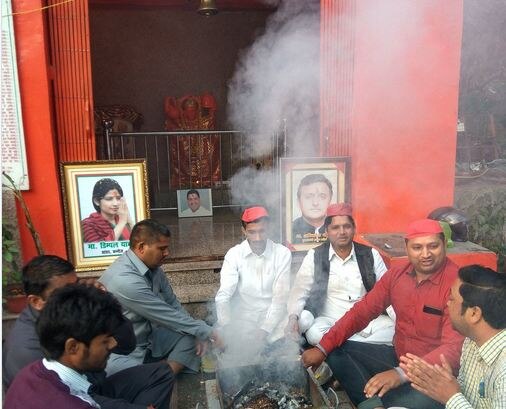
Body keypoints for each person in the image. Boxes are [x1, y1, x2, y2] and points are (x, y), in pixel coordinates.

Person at [301, 218, 465, 409]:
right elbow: (361, 312)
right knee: (336, 350)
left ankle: (372, 401)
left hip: (435, 376)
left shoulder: (458, 284)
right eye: (417, 247)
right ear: (407, 247)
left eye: (433, 246)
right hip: (399, 356)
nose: (425, 254)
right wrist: (322, 348)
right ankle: (374, 402)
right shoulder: (397, 275)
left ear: (444, 245)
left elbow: (454, 349)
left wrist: (400, 374)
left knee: (391, 400)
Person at [2, 255, 173, 409]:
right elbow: (76, 398)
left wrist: (100, 303)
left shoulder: (41, 364)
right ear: (36, 301)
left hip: (87, 386)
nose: (77, 294)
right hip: (81, 394)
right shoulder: (25, 350)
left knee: (160, 373)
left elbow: (126, 344)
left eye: (76, 285)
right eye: (66, 292)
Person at [99, 219, 223, 376]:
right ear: (141, 247)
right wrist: (209, 332)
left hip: (150, 340)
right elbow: (165, 314)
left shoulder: (154, 268)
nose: (167, 253)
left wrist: (197, 332)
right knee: (127, 373)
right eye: (162, 248)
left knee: (190, 338)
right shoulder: (124, 279)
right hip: (123, 352)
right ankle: (157, 376)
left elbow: (172, 303)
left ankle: (161, 374)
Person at [286, 203, 394, 347]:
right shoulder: (315, 256)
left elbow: (389, 293)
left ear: (354, 229)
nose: (342, 232)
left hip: (366, 322)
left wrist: (402, 321)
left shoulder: (370, 254)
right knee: (313, 333)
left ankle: (340, 346)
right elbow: (300, 290)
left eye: (347, 226)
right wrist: (293, 317)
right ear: (326, 231)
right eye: (335, 227)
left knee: (393, 330)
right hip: (329, 321)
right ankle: (363, 346)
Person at [400, 265, 505, 409]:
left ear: (474, 314)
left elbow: (454, 398)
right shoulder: (472, 340)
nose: (447, 304)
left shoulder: (503, 371)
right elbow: (467, 394)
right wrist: (447, 383)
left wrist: (451, 397)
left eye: (451, 299)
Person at [215, 206, 292, 346]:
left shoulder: (282, 253)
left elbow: (280, 299)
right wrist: (227, 328)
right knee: (223, 335)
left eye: (262, 231)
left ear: (268, 229)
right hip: (246, 317)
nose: (257, 238)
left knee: (302, 320)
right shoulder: (234, 254)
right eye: (252, 232)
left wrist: (264, 330)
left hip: (276, 315)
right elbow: (223, 295)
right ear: (243, 231)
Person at [81, 178, 133, 243]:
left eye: (118, 198)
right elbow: (97, 249)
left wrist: (129, 219)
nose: (115, 203)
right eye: (109, 199)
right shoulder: (88, 224)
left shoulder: (121, 218)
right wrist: (121, 223)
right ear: (96, 201)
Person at [291, 174, 333, 244]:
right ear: (298, 201)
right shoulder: (290, 230)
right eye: (308, 197)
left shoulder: (338, 230)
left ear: (330, 200)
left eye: (322, 197)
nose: (315, 203)